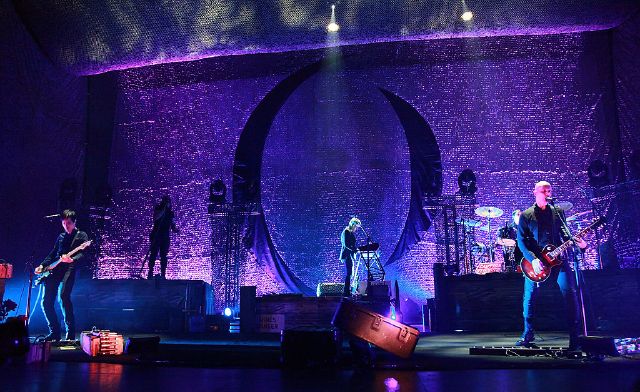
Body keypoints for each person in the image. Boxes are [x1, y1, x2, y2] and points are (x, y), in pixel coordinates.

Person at [516, 181, 587, 349]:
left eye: (549, 190)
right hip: (535, 263)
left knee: (571, 294)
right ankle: (528, 334)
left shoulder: (558, 212)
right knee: (530, 297)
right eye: (543, 190)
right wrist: (533, 259)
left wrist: (581, 245)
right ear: (535, 192)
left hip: (558, 261)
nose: (547, 192)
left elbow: (565, 235)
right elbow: (521, 241)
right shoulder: (526, 215)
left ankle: (575, 338)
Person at [35, 210, 89, 341]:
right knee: (46, 301)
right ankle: (54, 332)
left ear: (74, 222)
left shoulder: (81, 236)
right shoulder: (60, 237)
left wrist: (73, 259)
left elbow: (84, 253)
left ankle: (70, 334)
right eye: (64, 223)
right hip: (55, 269)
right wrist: (42, 265)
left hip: (69, 268)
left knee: (63, 297)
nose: (66, 226)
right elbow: (53, 253)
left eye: (69, 223)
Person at [148, 195, 179, 279]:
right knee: (153, 254)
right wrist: (163, 210)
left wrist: (176, 229)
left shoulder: (170, 213)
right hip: (156, 235)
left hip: (165, 236)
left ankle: (163, 274)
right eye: (166, 202)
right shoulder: (158, 209)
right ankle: (150, 271)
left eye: (168, 202)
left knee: (163, 255)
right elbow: (155, 218)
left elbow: (172, 224)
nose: (167, 204)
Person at [340, 217, 361, 297]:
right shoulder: (346, 232)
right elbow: (346, 245)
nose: (356, 229)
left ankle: (349, 290)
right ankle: (346, 292)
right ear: (353, 224)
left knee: (351, 274)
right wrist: (355, 250)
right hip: (347, 255)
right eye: (356, 226)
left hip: (350, 254)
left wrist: (356, 249)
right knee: (349, 273)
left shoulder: (350, 232)